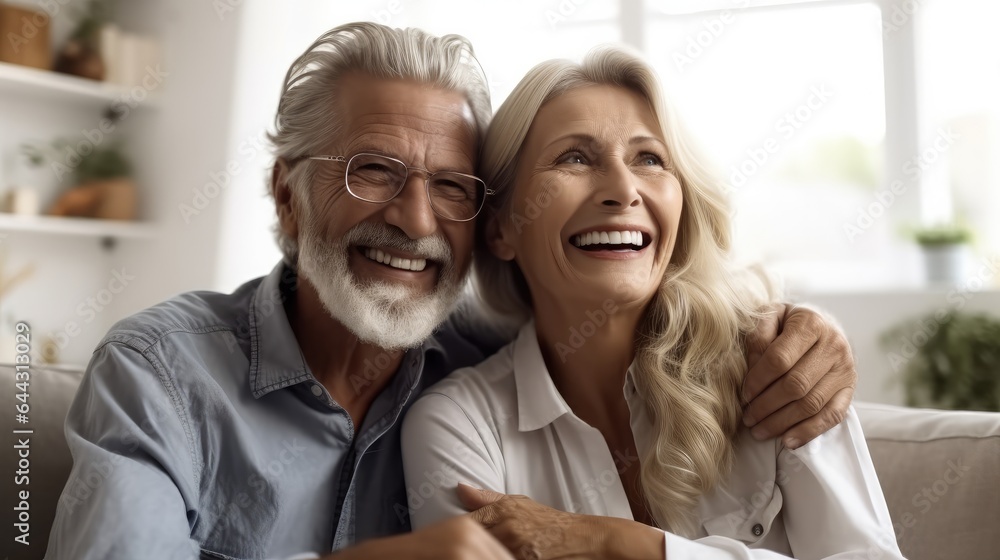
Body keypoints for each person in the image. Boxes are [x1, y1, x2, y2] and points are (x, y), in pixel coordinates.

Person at [47, 23, 857, 559]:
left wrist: (802, 328)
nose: (414, 218)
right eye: (374, 171)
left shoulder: (493, 354)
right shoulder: (160, 374)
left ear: (490, 220)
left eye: (452, 186)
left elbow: (612, 293)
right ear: (287, 193)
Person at [400, 47, 903, 559]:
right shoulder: (458, 425)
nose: (623, 189)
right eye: (574, 157)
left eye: (650, 159)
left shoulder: (780, 369)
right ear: (500, 228)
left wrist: (624, 546)